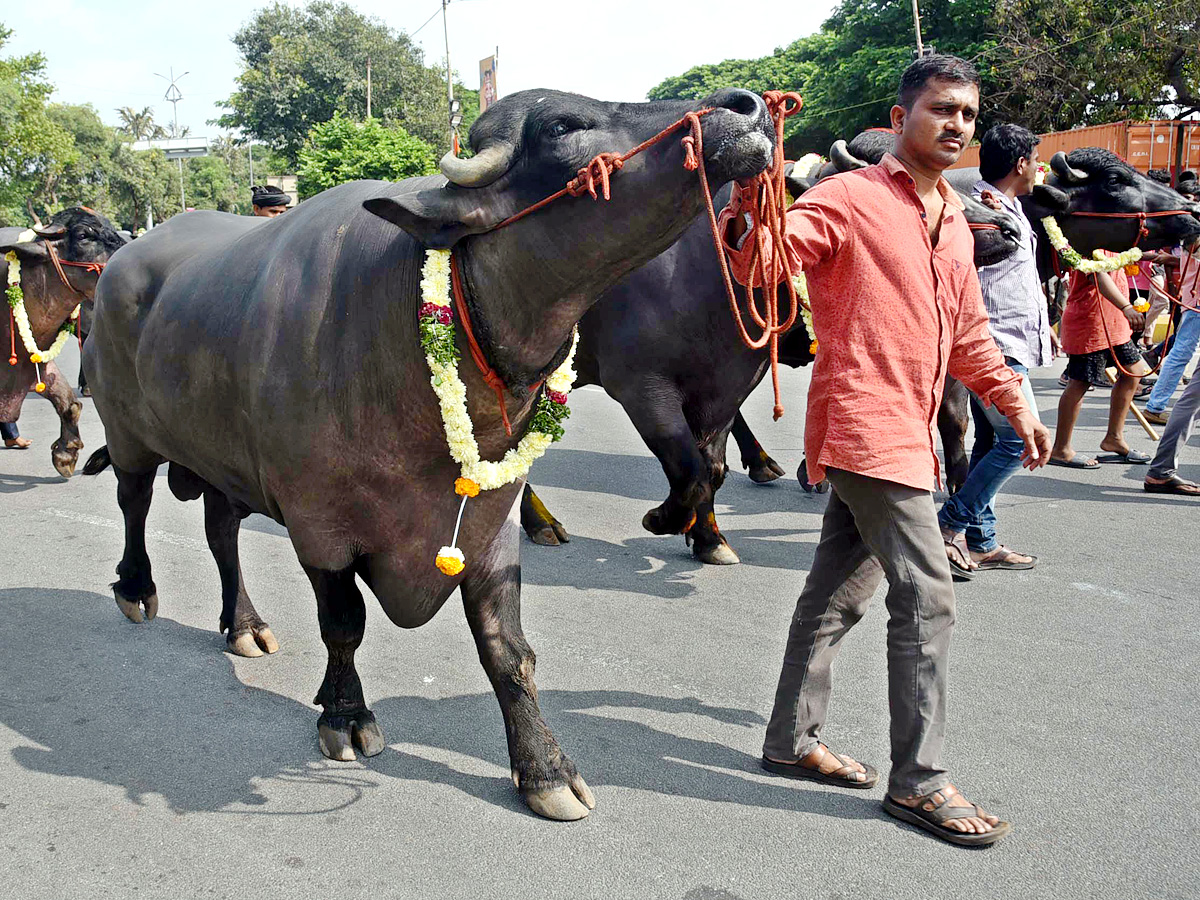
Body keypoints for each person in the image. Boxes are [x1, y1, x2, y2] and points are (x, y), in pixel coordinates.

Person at [720, 54, 1049, 847]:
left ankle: (789, 740)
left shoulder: (956, 221)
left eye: (968, 114)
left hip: (912, 433)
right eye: (942, 109)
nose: (957, 125)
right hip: (867, 427)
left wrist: (1014, 405)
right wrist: (750, 197)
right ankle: (920, 781)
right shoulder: (848, 197)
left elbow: (968, 336)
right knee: (929, 596)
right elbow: (763, 262)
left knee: (837, 594)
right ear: (900, 120)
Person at [937, 124, 1048, 576]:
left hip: (1013, 339)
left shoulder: (1011, 206)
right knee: (1018, 439)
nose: (1040, 167)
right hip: (993, 346)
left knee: (990, 440)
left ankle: (982, 541)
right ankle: (949, 524)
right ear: (1021, 165)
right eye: (1036, 160)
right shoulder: (980, 210)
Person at [1049, 259, 1151, 468]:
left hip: (1115, 323)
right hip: (1091, 322)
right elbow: (1098, 274)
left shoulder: (1116, 238)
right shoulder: (1090, 237)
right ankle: (1061, 449)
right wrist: (1126, 306)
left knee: (1134, 371)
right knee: (1080, 383)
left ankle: (1114, 438)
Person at [1143, 235, 1200, 426]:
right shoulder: (1194, 233)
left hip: (1194, 303)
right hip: (1196, 304)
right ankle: (1155, 407)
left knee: (1181, 352)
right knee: (1181, 353)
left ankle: (1156, 406)